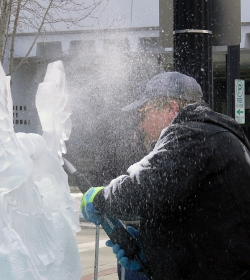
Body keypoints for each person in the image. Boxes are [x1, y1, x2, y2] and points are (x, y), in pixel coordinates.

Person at [81, 71, 250, 279]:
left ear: (172, 108)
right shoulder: (212, 135)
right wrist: (151, 249)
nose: (141, 124)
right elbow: (191, 218)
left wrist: (99, 198)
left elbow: (142, 188)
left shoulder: (191, 134)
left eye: (145, 112)